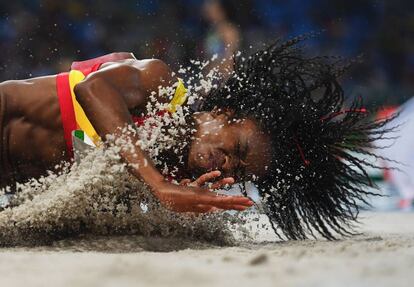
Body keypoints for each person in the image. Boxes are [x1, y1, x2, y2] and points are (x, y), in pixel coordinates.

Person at [0, 36, 393, 239]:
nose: (228, 164)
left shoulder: (173, 179)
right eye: (237, 148)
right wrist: (158, 186)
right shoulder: (162, 86)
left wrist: (174, 210)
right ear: (223, 114)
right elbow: (95, 91)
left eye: (240, 171)